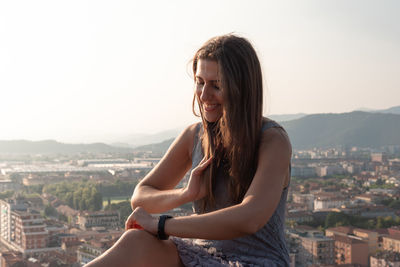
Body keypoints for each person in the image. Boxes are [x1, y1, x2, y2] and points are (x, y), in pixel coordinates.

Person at [86, 34, 292, 267]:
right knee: (136, 241)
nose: (204, 95)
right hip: (201, 255)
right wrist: (187, 193)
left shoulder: (272, 140)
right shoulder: (195, 136)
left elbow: (250, 217)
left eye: (217, 85)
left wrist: (162, 224)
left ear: (242, 89)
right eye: (200, 81)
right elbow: (140, 196)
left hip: (256, 262)